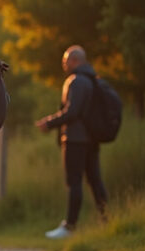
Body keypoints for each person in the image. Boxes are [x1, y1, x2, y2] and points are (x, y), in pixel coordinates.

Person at [34, 45, 109, 239]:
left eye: (66, 61)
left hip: (75, 139)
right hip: (91, 138)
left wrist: (49, 123)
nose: (64, 65)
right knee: (95, 180)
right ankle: (108, 220)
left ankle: (70, 227)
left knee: (74, 182)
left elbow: (72, 112)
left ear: (76, 61)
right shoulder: (93, 80)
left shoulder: (76, 81)